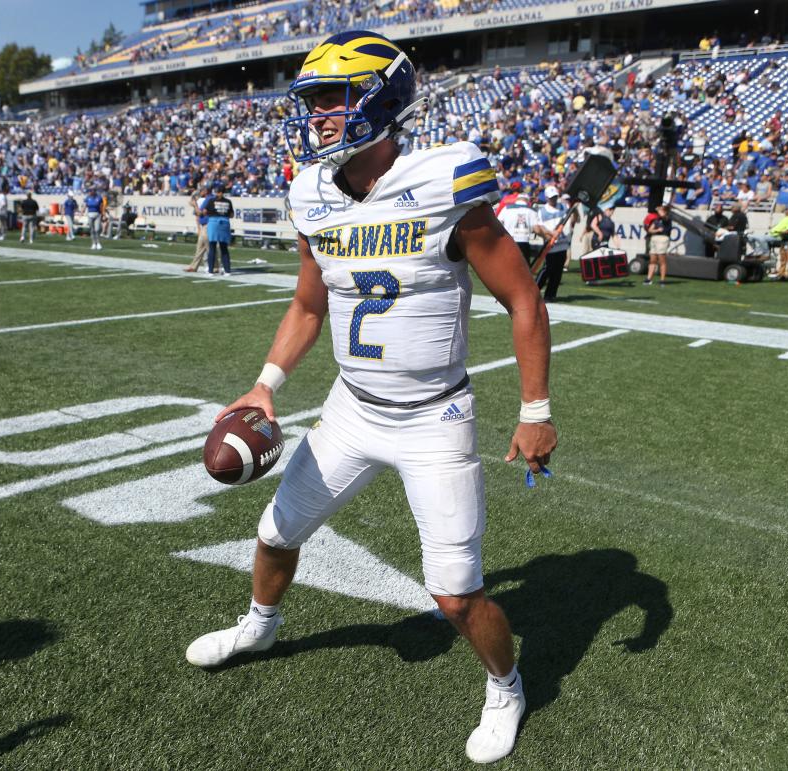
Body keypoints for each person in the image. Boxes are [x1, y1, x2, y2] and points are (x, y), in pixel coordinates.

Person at [184, 30, 556, 765]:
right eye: (312, 99)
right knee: (274, 531)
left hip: (434, 416)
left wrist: (535, 410)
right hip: (351, 409)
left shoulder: (445, 180)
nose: (318, 114)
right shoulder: (310, 190)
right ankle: (260, 621)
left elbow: (522, 299)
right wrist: (267, 383)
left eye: (333, 97)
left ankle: (505, 686)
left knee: (455, 594)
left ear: (382, 98)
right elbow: (307, 306)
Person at [532, 187, 573, 301]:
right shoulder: (542, 211)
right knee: (547, 269)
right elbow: (540, 227)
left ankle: (550, 295)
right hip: (551, 244)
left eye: (555, 197)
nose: (553, 199)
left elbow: (572, 220)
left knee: (558, 271)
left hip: (563, 243)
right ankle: (534, 292)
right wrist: (551, 233)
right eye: (551, 198)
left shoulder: (564, 207)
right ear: (546, 198)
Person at [497, 192, 537, 267]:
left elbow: (498, 222)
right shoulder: (531, 210)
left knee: (508, 266)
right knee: (525, 268)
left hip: (509, 240)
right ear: (527, 201)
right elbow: (536, 228)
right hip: (524, 241)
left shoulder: (506, 208)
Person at [203, 183, 233, 274]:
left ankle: (210, 270)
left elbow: (204, 212)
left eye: (217, 192)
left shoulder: (211, 200)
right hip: (224, 223)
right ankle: (227, 270)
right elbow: (232, 215)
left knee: (212, 247)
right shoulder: (228, 201)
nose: (217, 193)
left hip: (213, 223)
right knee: (224, 248)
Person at [185, 183, 213, 272]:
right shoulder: (207, 199)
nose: (200, 193)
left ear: (205, 191)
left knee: (209, 247)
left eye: (201, 191)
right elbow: (198, 216)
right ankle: (194, 266)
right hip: (204, 226)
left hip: (208, 225)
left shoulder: (208, 200)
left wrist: (195, 205)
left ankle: (215, 267)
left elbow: (199, 213)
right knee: (200, 247)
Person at [643, 204, 670, 286]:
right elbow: (650, 230)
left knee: (661, 260)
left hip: (662, 238)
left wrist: (659, 210)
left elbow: (663, 216)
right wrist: (657, 230)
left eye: (662, 210)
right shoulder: (657, 219)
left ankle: (662, 280)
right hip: (654, 238)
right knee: (652, 260)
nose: (659, 211)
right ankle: (649, 278)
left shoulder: (667, 219)